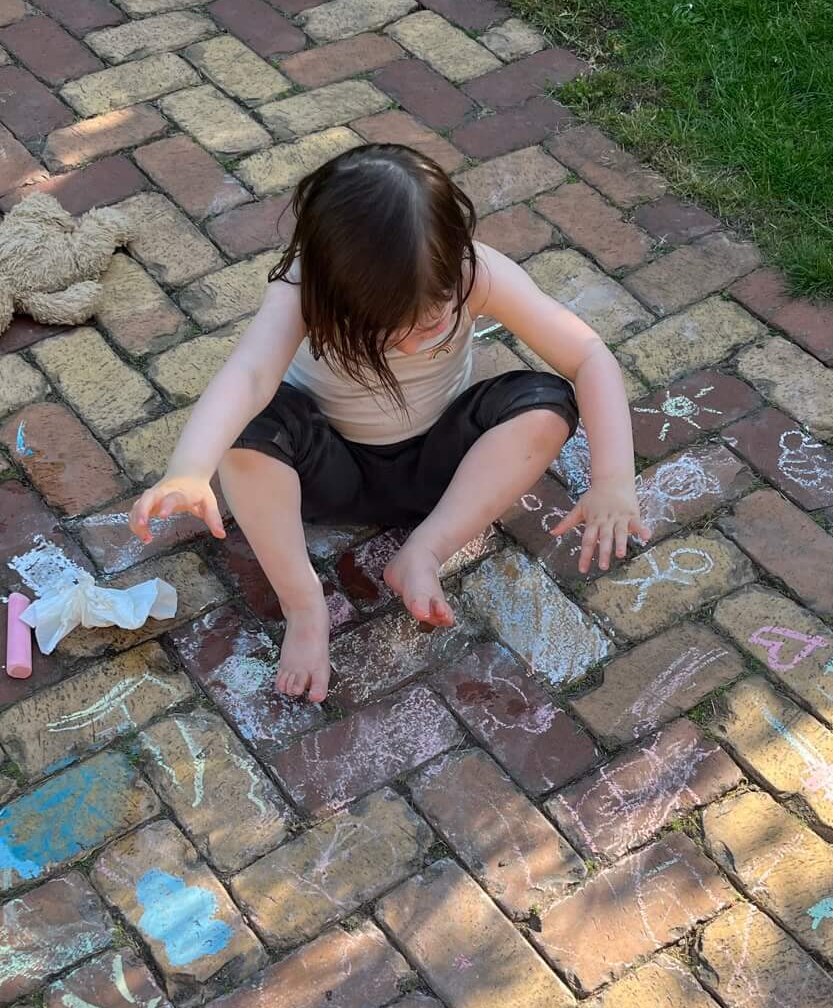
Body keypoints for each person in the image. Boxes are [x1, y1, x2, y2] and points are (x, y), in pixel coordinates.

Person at [129, 142, 646, 702]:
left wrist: (613, 479)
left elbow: (589, 355)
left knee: (546, 402)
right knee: (249, 432)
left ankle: (423, 550)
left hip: (441, 467)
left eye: (434, 319)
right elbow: (249, 376)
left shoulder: (478, 274)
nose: (419, 338)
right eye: (391, 327)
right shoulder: (303, 289)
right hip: (328, 471)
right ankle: (306, 609)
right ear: (337, 291)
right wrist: (188, 468)